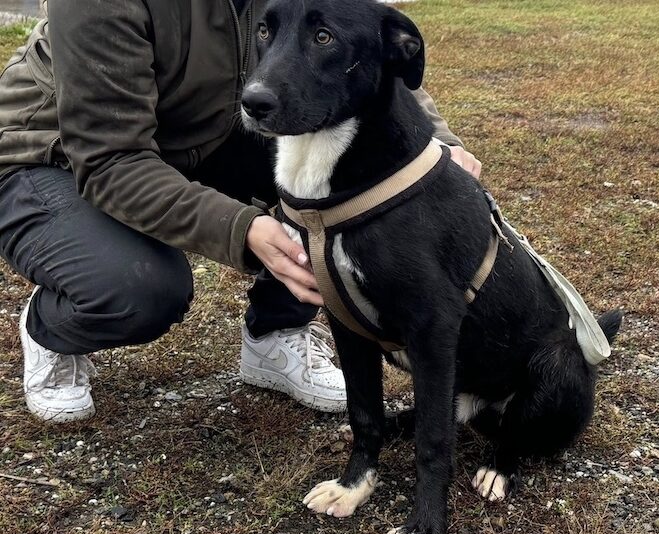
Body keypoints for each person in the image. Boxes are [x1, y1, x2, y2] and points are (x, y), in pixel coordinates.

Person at [0, 0, 481, 422]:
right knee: (139, 288)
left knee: (337, 170)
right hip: (52, 157)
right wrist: (244, 229)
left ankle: (276, 330)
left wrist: (439, 144)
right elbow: (110, 160)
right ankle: (53, 328)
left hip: (200, 137)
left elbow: (364, 39)